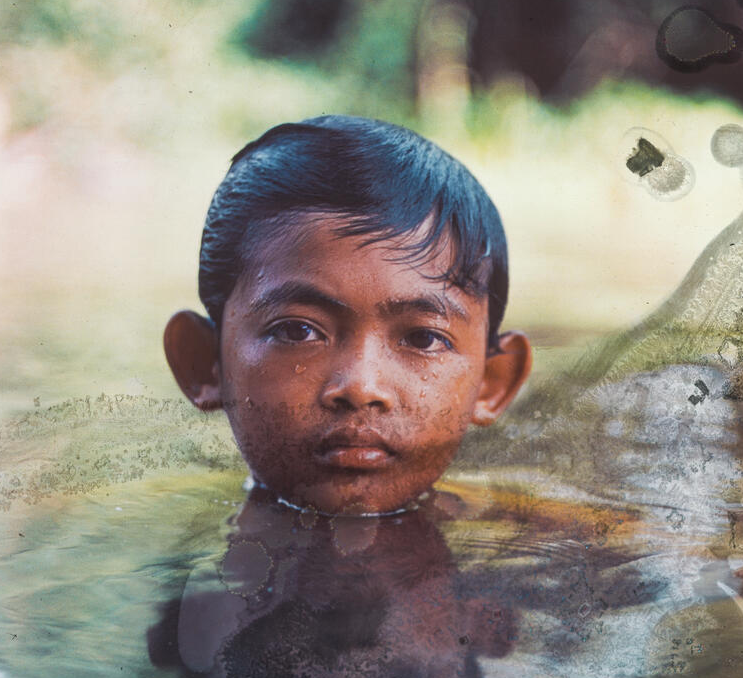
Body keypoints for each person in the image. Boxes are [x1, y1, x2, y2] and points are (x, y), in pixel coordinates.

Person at [163, 114, 532, 517]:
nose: (360, 386)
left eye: (423, 339)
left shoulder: (547, 533)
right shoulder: (126, 520)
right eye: (297, 330)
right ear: (205, 364)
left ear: (491, 384)